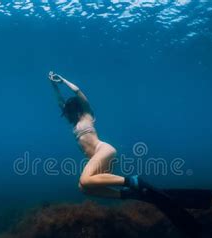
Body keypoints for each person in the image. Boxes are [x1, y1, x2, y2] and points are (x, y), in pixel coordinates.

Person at [48, 71, 145, 199]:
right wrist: (53, 85)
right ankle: (126, 194)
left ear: (77, 109)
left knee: (85, 180)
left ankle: (133, 181)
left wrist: (63, 81)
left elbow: (77, 91)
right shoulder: (73, 123)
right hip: (96, 158)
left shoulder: (87, 115)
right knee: (84, 188)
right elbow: (60, 102)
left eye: (70, 110)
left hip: (103, 150)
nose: (68, 113)